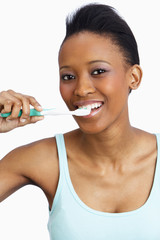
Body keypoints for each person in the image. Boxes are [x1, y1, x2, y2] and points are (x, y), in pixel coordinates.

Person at [0, 3, 159, 240]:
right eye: (69, 77)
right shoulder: (42, 160)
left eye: (98, 71)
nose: (81, 89)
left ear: (133, 78)